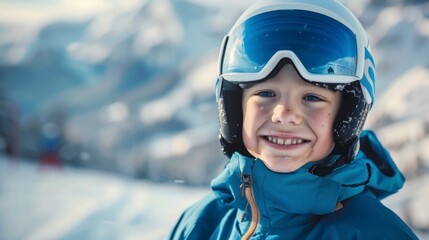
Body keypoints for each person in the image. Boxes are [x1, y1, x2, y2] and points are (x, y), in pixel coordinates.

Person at [170, 0, 418, 239]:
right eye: (266, 93)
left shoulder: (376, 234)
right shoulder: (200, 226)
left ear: (347, 116)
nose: (284, 115)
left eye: (312, 97)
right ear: (235, 109)